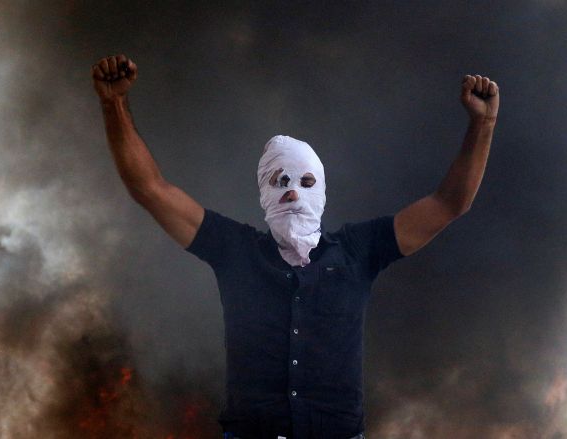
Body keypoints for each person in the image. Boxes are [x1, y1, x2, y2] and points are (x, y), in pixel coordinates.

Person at [92, 54, 499, 439]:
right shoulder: (235, 251)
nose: (291, 192)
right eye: (279, 181)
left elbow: (449, 203)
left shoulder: (359, 251)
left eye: (304, 182)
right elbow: (150, 189)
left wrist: (483, 125)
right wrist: (115, 106)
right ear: (263, 194)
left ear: (321, 190)